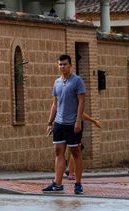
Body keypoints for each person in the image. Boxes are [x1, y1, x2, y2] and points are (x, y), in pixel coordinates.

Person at [42, 54, 85, 194]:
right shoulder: (57, 83)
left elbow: (81, 102)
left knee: (75, 153)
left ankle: (78, 184)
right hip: (59, 124)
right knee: (59, 152)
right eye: (60, 64)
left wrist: (78, 121)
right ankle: (57, 184)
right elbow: (55, 104)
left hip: (73, 124)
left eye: (65, 64)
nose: (62, 67)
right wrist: (50, 122)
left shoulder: (77, 81)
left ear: (70, 65)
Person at [65, 112, 101, 180]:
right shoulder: (76, 102)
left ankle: (69, 169)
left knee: (77, 148)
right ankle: (71, 172)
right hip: (74, 125)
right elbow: (81, 113)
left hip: (70, 124)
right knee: (77, 149)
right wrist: (94, 121)